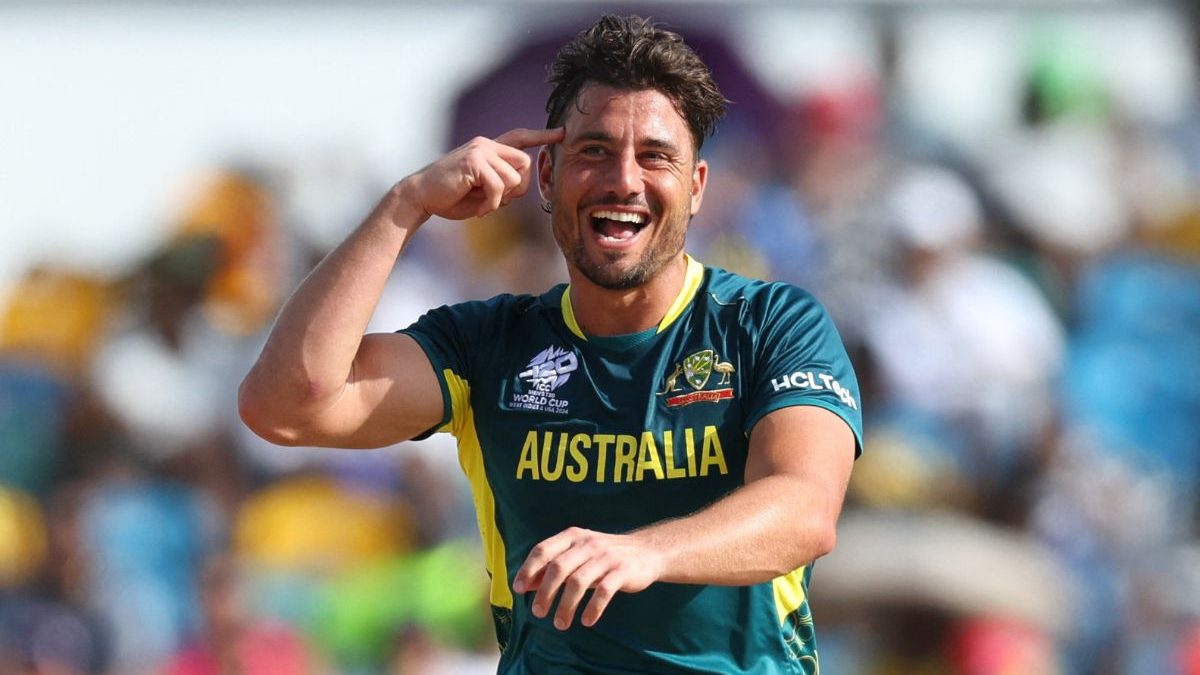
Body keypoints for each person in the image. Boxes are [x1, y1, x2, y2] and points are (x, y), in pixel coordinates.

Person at [239, 14, 862, 674]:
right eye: (594, 150)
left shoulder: (771, 322)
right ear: (545, 177)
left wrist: (645, 552)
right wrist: (405, 204)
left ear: (697, 188)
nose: (623, 179)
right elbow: (289, 404)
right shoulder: (488, 343)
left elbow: (804, 511)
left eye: (655, 156)